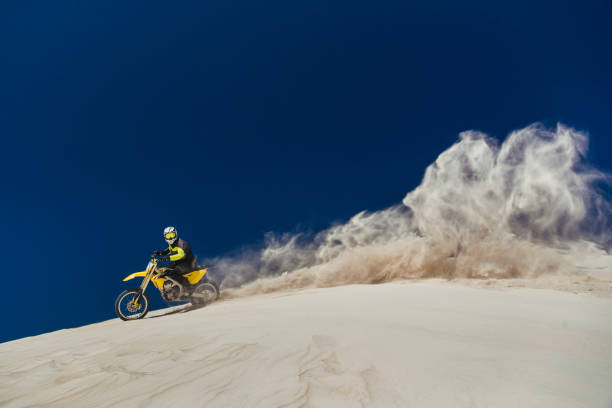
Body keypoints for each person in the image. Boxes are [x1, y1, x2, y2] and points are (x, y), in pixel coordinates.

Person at [155, 226, 198, 291]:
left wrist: (167, 258)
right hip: (180, 262)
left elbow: (181, 254)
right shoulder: (173, 244)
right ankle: (171, 287)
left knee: (173, 272)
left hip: (188, 263)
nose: (170, 237)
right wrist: (160, 253)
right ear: (165, 237)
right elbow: (170, 250)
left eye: (172, 235)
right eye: (168, 236)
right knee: (164, 268)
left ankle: (187, 287)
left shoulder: (181, 243)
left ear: (176, 234)